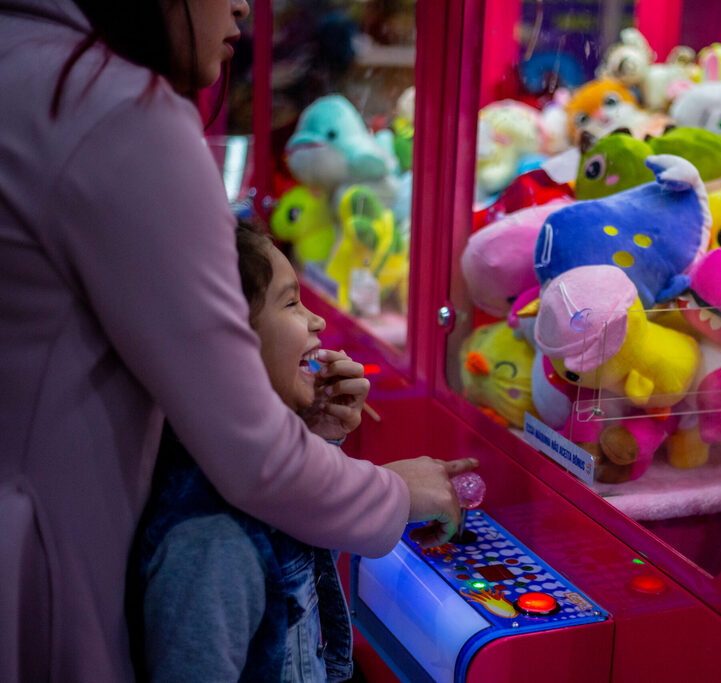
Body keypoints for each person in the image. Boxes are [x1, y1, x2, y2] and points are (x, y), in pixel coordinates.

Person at [0, 1, 473, 680]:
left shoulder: (29, 62)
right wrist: (395, 491)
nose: (244, 7)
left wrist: (308, 434)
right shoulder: (108, 106)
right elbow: (252, 457)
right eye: (290, 303)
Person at [127, 223, 383, 681]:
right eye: (291, 303)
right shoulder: (212, 542)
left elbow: (303, 583)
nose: (318, 321)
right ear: (230, 341)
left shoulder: (257, 480)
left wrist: (318, 438)